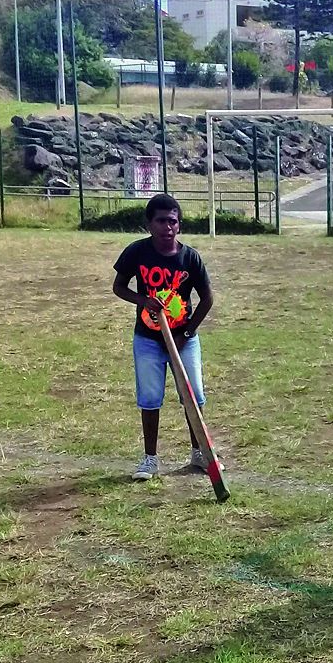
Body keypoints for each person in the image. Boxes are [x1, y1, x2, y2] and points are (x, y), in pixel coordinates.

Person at [112, 193, 214, 480]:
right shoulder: (137, 252)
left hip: (183, 339)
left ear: (179, 225)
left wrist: (187, 332)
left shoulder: (190, 258)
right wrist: (142, 300)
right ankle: (150, 459)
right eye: (161, 221)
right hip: (148, 340)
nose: (167, 227)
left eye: (172, 221)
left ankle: (199, 454)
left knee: (193, 394)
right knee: (150, 396)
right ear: (149, 224)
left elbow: (207, 299)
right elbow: (118, 286)